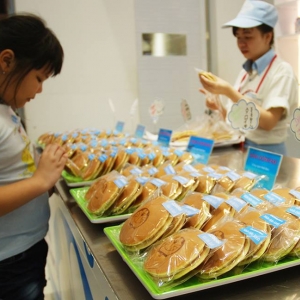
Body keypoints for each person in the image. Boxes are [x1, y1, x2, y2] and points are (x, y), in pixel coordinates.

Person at [0, 14, 68, 300]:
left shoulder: (6, 110)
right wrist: (39, 181)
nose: (39, 90)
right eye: (38, 78)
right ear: (6, 61)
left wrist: (45, 178)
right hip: (9, 265)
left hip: (23, 255)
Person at [199, 0, 298, 155]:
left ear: (267, 37)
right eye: (238, 37)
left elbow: (269, 122)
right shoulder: (246, 72)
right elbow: (240, 120)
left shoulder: (281, 71)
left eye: (248, 37)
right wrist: (219, 106)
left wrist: (228, 91)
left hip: (266, 156)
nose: (241, 43)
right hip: (242, 149)